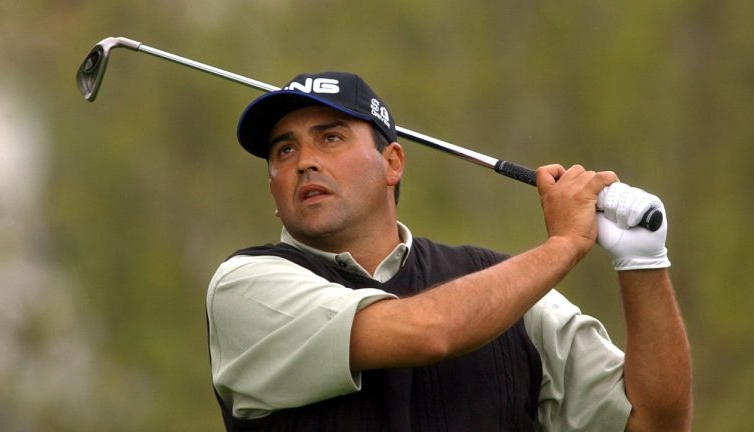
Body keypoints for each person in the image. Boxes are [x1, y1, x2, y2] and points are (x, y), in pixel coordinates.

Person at [206, 72, 692, 431]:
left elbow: (656, 423)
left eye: (330, 137)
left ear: (392, 162)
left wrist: (643, 262)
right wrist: (565, 244)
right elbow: (427, 332)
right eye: (284, 151)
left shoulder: (512, 293)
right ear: (273, 191)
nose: (304, 162)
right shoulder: (246, 287)